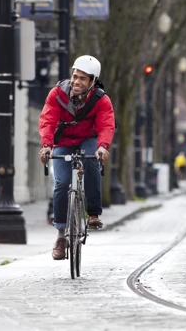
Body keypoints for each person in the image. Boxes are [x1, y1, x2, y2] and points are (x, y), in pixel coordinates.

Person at [39, 55, 115, 261]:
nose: (76, 82)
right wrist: (46, 146)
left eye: (82, 78)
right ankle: (61, 236)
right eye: (75, 76)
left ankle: (93, 214)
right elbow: (47, 120)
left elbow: (106, 125)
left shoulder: (101, 99)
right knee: (62, 184)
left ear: (92, 81)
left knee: (91, 163)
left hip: (87, 140)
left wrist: (102, 147)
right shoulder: (57, 94)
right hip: (63, 141)